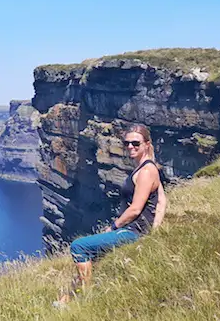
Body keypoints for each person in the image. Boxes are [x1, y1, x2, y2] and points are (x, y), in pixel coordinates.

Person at [54, 123, 168, 307]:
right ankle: (66, 300)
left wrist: (113, 227)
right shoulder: (147, 168)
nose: (130, 146)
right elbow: (162, 200)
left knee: (79, 247)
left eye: (136, 143)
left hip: (132, 232)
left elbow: (135, 209)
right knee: (94, 256)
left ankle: (86, 300)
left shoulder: (146, 171)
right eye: (127, 143)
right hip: (136, 230)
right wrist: (155, 230)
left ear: (147, 144)